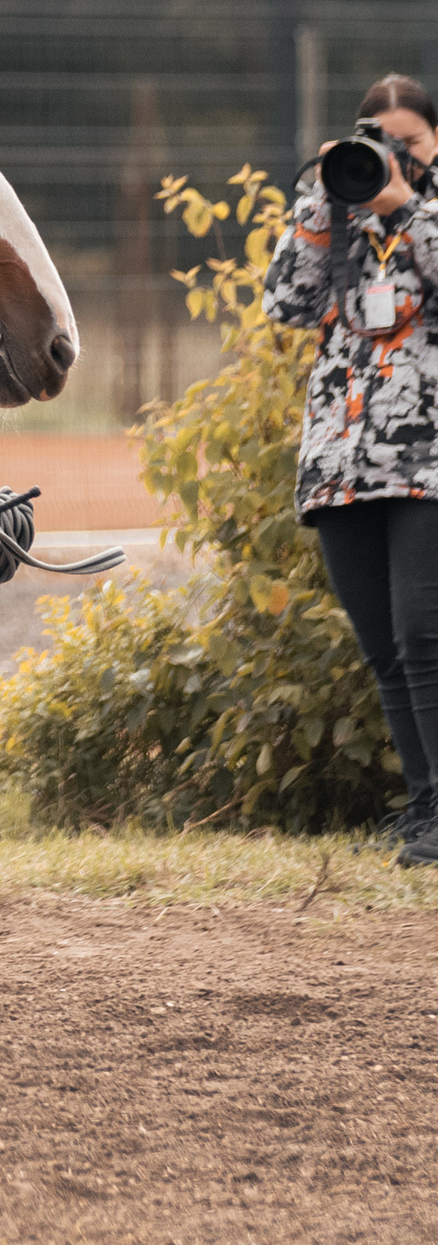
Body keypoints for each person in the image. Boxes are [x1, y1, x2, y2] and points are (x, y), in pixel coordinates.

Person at [262, 74, 438, 867]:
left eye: (408, 140)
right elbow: (288, 306)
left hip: (428, 460)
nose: (390, 153)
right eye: (378, 137)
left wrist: (403, 203)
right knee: (386, 648)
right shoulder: (339, 208)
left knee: (425, 634)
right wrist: (321, 203)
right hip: (342, 461)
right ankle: (425, 808)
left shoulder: (421, 210)